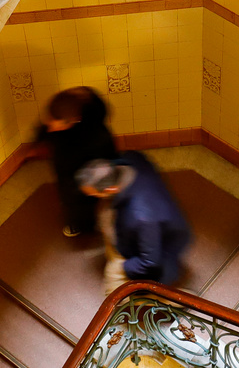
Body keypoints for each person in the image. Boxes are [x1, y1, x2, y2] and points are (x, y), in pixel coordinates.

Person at [76, 153, 192, 296]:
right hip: (157, 221)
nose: (92, 197)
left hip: (163, 245)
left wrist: (124, 266)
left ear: (110, 190)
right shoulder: (132, 159)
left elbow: (149, 261)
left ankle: (173, 299)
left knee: (114, 294)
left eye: (95, 194)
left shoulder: (141, 218)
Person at [36, 87, 117, 237]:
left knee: (82, 203)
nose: (51, 127)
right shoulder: (85, 110)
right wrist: (86, 92)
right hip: (92, 166)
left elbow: (70, 174)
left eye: (57, 123)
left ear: (73, 120)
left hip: (89, 170)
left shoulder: (86, 139)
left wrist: (80, 186)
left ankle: (82, 225)